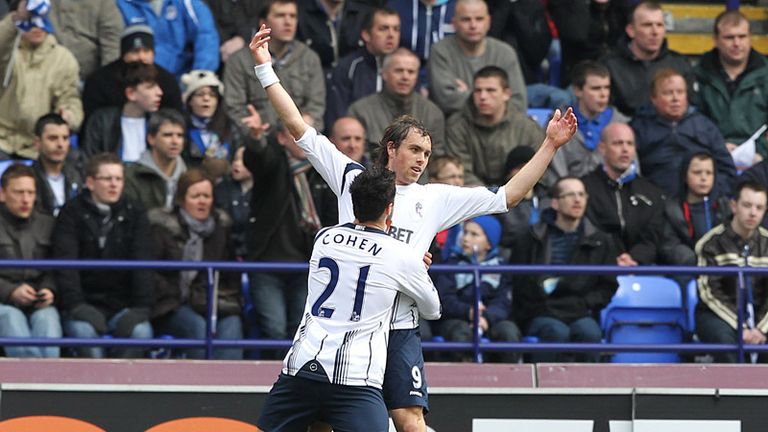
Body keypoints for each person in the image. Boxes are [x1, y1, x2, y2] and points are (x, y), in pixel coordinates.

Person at [248, 23, 577, 432]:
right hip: (344, 330)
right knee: (321, 424)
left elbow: (508, 196)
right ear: (391, 148)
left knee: (409, 421)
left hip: (399, 326)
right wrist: (264, 67)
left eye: (428, 152)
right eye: (415, 150)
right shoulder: (352, 179)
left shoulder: (436, 197)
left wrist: (550, 145)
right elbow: (299, 129)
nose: (422, 160)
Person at [256, 167, 441, 432]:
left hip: (301, 371)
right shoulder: (400, 255)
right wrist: (415, 271)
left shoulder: (324, 238)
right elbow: (433, 309)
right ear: (389, 208)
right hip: (354, 380)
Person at [241, 120, 338, 359]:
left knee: (301, 330)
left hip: (307, 266)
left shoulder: (322, 171)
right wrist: (255, 140)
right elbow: (258, 159)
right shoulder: (274, 163)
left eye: (309, 132)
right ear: (282, 139)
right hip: (267, 264)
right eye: (296, 132)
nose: (304, 138)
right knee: (274, 330)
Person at [53, 153, 153, 358]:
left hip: (123, 305)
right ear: (90, 182)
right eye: (107, 179)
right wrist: (78, 306)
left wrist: (141, 309)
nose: (114, 184)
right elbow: (65, 264)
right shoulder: (71, 212)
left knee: (142, 332)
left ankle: (123, 388)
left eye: (118, 179)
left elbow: (144, 262)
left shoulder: (135, 211)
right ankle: (95, 390)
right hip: (82, 304)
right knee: (84, 333)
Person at [511, 176, 617, 363]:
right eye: (570, 195)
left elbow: (607, 286)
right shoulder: (531, 238)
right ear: (555, 203)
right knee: (555, 332)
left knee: (590, 333)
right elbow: (519, 282)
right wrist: (541, 305)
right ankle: (543, 391)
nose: (577, 200)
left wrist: (585, 303)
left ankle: (589, 391)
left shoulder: (601, 241)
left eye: (581, 194)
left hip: (579, 310)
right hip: (540, 311)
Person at [149, 169, 243, 360]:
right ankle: (199, 387)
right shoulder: (162, 229)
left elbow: (231, 276)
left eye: (207, 196)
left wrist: (221, 299)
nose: (202, 201)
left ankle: (229, 387)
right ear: (182, 199)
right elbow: (152, 275)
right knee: (197, 326)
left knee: (233, 325)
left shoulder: (221, 229)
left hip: (213, 303)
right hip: (172, 304)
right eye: (196, 196)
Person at [631, 68, 736, 198]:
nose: (675, 98)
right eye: (668, 93)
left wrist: (714, 195)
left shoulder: (704, 125)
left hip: (702, 201)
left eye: (680, 92)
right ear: (654, 98)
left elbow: (727, 169)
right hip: (656, 201)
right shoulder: (640, 128)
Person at [224, 0, 326, 134]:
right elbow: (234, 106)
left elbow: (316, 107)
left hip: (297, 141)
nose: (288, 22)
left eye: (293, 16)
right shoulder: (239, 60)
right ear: (263, 23)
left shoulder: (309, 58)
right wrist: (253, 130)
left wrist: (303, 126)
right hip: (256, 142)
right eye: (280, 16)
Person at [696, 180, 768, 363]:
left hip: (761, 316)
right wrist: (741, 327)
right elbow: (710, 294)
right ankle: (732, 391)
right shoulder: (710, 243)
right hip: (718, 315)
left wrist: (761, 329)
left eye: (759, 208)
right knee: (726, 340)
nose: (753, 213)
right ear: (734, 206)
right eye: (747, 205)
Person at [0, 0, 82, 160]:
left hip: (39, 146)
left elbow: (71, 99)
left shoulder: (64, 59)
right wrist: (15, 20)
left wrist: (69, 116)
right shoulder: (8, 49)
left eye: (42, 19)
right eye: (31, 19)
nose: (37, 26)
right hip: (1, 141)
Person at [435, 215, 520, 363]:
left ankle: (509, 379)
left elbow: (503, 301)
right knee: (460, 333)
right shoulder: (451, 265)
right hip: (457, 319)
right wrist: (469, 312)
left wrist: (485, 318)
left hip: (490, 320)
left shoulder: (501, 268)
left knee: (508, 332)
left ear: (489, 243)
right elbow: (445, 299)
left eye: (474, 234)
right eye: (466, 232)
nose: (466, 238)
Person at [582, 123, 665, 266]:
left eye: (630, 144)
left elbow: (653, 236)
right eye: (618, 143)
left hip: (640, 268)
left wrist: (634, 258)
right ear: (602, 148)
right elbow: (589, 232)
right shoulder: (585, 188)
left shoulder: (651, 192)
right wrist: (613, 259)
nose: (625, 149)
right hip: (597, 269)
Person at [0, 164, 61, 358]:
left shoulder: (48, 224)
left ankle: (46, 382)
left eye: (30, 193)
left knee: (48, 318)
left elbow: (57, 268)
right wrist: (10, 291)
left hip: (39, 301)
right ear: (2, 194)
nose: (26, 199)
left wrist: (49, 290)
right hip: (3, 302)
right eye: (18, 192)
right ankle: (35, 381)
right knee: (10, 317)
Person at [445, 66, 544, 186]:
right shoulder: (457, 126)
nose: (482, 97)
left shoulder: (528, 128)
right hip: (473, 198)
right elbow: (460, 171)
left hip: (517, 195)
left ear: (507, 94)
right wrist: (490, 197)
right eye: (477, 90)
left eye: (490, 90)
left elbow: (541, 170)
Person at [427, 0, 526, 116]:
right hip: (457, 129)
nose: (473, 25)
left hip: (502, 129)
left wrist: (467, 93)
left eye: (479, 19)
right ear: (454, 23)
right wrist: (496, 97)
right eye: (466, 19)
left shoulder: (505, 53)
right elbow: (446, 101)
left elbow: (519, 103)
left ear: (488, 22)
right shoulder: (440, 52)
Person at [692, 9, 768, 160]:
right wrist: (718, 147)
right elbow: (693, 123)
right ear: (715, 39)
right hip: (711, 158)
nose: (736, 43)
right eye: (729, 37)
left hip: (760, 159)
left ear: (750, 38)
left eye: (742, 36)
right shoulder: (698, 75)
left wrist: (761, 153)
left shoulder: (765, 74)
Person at [599, 1, 691, 116]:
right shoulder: (609, 66)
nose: (655, 32)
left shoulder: (679, 64)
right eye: (647, 25)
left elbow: (691, 108)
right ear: (631, 30)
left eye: (659, 25)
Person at [348, 48, 445, 154]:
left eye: (411, 72)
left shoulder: (432, 113)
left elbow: (436, 158)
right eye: (399, 71)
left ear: (417, 76)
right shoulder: (360, 111)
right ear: (384, 73)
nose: (405, 77)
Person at [549, 61, 629, 181]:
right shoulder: (559, 123)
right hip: (571, 194)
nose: (603, 94)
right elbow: (555, 173)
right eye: (596, 88)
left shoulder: (620, 124)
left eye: (606, 88)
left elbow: (632, 169)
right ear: (577, 90)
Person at [81, 24, 182, 119]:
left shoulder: (167, 81)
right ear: (123, 55)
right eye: (135, 51)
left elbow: (176, 117)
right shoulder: (100, 81)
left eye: (146, 51)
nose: (141, 57)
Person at [326, 6, 401, 127]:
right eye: (383, 29)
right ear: (366, 34)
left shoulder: (406, 67)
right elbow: (337, 115)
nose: (391, 35)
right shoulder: (348, 67)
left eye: (396, 29)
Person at [82, 61, 163, 163]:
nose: (159, 92)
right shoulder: (101, 121)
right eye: (150, 87)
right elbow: (90, 160)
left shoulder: (159, 122)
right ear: (131, 93)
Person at [661, 152, 731, 266]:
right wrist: (699, 261)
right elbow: (670, 246)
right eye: (697, 172)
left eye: (709, 173)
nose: (704, 178)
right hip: (686, 271)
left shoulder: (724, 208)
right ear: (684, 176)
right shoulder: (671, 208)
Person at [117, 0, 220, 77]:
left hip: (183, 78)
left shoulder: (185, 3)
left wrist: (200, 74)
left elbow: (206, 36)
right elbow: (113, 44)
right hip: (140, 80)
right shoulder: (120, 4)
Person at [124, 109, 188, 211]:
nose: (175, 141)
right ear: (151, 139)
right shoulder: (130, 177)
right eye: (168, 135)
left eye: (180, 136)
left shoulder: (189, 176)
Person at [180, 69, 237, 181]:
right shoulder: (181, 129)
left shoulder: (229, 128)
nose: (206, 99)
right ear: (190, 101)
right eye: (200, 94)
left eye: (212, 95)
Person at [48, 0, 124, 80]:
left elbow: (112, 44)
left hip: (87, 77)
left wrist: (106, 81)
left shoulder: (103, 3)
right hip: (46, 75)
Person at [30, 113, 83, 217]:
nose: (60, 144)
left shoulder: (78, 176)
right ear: (37, 142)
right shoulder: (28, 178)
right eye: (53, 138)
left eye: (65, 138)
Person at [214, 146, 253, 259]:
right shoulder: (221, 188)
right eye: (235, 159)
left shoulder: (265, 190)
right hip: (227, 254)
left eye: (243, 160)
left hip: (256, 256)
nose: (237, 164)